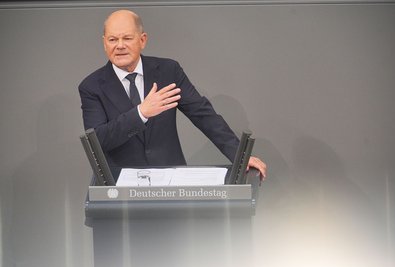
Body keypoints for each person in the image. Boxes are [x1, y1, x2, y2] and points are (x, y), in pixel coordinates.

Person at [78, 10, 267, 179]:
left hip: (171, 182)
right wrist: (140, 113)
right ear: (104, 43)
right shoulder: (91, 86)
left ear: (142, 40)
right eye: (112, 39)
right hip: (120, 187)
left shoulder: (168, 71)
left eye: (127, 38)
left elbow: (203, 115)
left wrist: (240, 157)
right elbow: (99, 140)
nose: (119, 46)